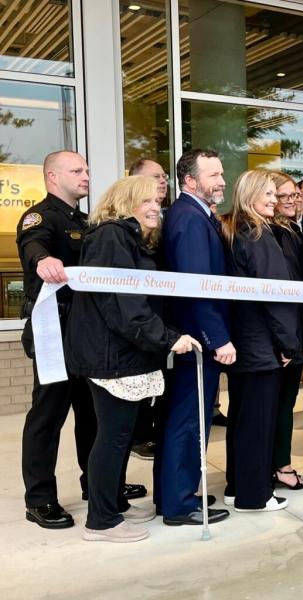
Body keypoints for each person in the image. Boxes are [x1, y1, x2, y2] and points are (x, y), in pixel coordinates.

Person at [65, 175, 198, 542]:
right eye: (147, 201)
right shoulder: (112, 236)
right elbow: (123, 305)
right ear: (125, 203)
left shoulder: (127, 238)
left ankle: (115, 505)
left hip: (122, 353)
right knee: (113, 435)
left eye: (158, 201)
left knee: (119, 436)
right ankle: (101, 521)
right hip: (112, 357)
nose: (156, 206)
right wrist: (167, 339)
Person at [16, 151, 145, 529]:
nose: (86, 175)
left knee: (91, 413)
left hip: (85, 334)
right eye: (77, 170)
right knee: (48, 416)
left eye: (87, 169)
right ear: (53, 177)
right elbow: (32, 244)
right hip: (54, 332)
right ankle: (39, 499)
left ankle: (98, 486)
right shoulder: (41, 216)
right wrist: (42, 260)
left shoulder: (86, 221)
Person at [158, 148, 232, 526]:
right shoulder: (188, 218)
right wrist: (218, 338)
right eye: (213, 175)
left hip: (194, 337)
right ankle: (179, 503)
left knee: (188, 418)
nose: (222, 181)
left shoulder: (195, 215)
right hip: (196, 340)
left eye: (221, 174)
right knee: (189, 420)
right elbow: (197, 287)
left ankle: (176, 492)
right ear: (190, 181)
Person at [219, 169, 299, 512]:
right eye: (267, 193)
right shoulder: (257, 234)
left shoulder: (239, 231)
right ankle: (255, 495)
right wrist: (287, 345)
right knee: (257, 423)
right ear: (250, 196)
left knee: (242, 419)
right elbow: (275, 296)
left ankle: (238, 487)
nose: (273, 199)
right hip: (261, 344)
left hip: (245, 341)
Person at [269, 172, 303, 491]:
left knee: (286, 403)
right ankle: (280, 466)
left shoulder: (293, 230)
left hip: (298, 333)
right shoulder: (272, 234)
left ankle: (280, 463)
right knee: (280, 406)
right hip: (283, 337)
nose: (289, 201)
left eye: (293, 195)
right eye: (282, 196)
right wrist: (290, 342)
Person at [126, 158, 170, 461]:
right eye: (156, 177)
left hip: (160, 318)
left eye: (165, 176)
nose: (163, 180)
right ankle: (140, 435)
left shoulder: (165, 218)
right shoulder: (119, 232)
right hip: (138, 325)